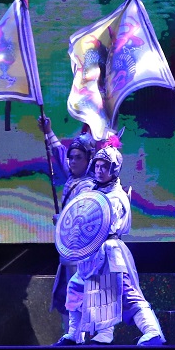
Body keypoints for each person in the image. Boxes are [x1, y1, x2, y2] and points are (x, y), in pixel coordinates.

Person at [54, 145, 166, 346]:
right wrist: (64, 219)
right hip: (91, 252)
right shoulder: (93, 192)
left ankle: (153, 332)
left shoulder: (116, 196)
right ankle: (75, 334)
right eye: (97, 166)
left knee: (126, 293)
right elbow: (82, 218)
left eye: (104, 166)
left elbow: (103, 223)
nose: (99, 170)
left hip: (110, 250)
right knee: (76, 287)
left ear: (114, 169)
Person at [39, 116, 97, 330]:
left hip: (81, 253)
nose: (72, 161)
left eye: (78, 158)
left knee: (80, 296)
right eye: (71, 157)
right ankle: (73, 336)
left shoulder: (88, 187)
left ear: (88, 160)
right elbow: (59, 153)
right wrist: (48, 132)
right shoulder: (74, 179)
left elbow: (81, 219)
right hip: (70, 251)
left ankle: (82, 336)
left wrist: (62, 219)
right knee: (67, 296)